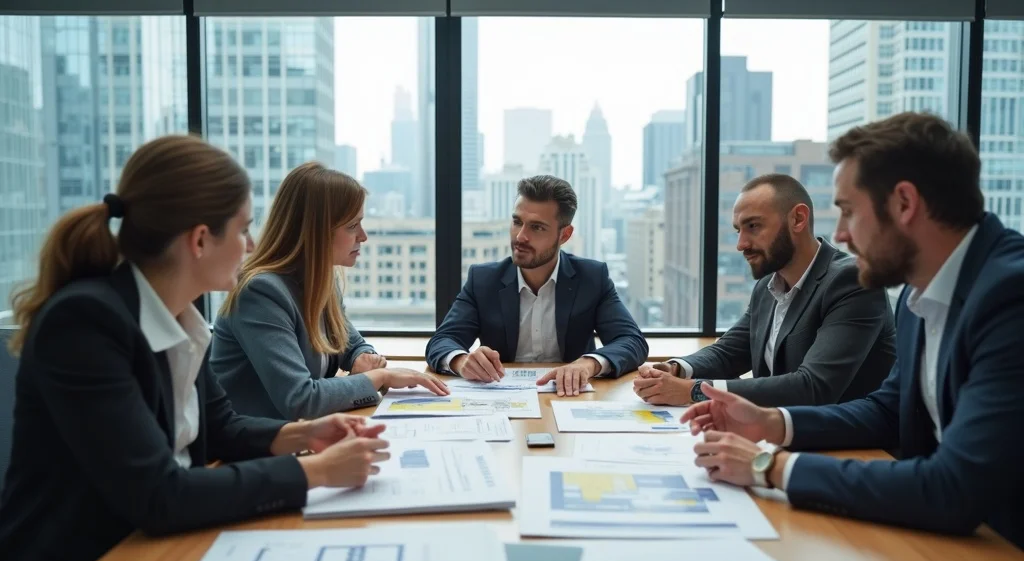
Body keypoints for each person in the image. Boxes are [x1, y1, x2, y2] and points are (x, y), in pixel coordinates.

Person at [0, 136, 392, 561]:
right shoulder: (84, 324)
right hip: (94, 558)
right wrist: (315, 472)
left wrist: (305, 434)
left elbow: (221, 427)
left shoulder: (179, 316)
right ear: (200, 240)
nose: (249, 246)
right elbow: (159, 493)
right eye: (243, 229)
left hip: (157, 543)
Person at [682, 112, 1024, 550]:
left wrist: (771, 466)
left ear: (904, 203)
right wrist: (772, 422)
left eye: (847, 211)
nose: (841, 234)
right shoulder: (920, 297)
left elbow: (954, 486)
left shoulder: (1009, 296)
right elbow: (888, 410)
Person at [212, 162, 448, 420]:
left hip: (301, 435)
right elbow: (301, 399)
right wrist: (380, 376)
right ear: (316, 232)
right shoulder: (260, 292)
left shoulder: (321, 279)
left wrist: (361, 357)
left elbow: (349, 342)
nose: (363, 236)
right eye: (352, 226)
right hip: (250, 449)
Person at [635, 174, 895, 407]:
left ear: (798, 219)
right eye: (739, 230)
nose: (741, 244)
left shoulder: (852, 280)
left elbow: (814, 387)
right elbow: (730, 352)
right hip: (781, 436)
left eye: (754, 226)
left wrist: (693, 391)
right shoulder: (767, 286)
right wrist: (675, 369)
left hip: (853, 449)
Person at [425, 175, 648, 396]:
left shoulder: (592, 278)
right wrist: (461, 361)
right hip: (502, 400)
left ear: (565, 235)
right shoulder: (483, 280)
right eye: (517, 222)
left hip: (570, 398)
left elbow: (631, 341)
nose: (521, 237)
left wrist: (588, 364)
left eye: (537, 228)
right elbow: (442, 342)